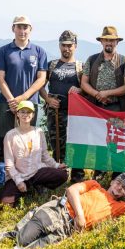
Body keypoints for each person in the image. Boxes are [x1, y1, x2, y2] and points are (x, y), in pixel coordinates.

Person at [0, 173, 125, 249]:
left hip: (65, 232)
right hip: (56, 214)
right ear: (112, 182)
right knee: (21, 240)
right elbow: (71, 190)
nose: (119, 187)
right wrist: (80, 216)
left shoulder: (120, 208)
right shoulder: (94, 185)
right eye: (118, 182)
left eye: (124, 188)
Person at [80, 26, 125, 180]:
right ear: (101, 41)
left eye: (112, 40)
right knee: (99, 140)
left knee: (117, 141)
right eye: (106, 40)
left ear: (117, 42)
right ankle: (99, 172)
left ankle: (118, 173)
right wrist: (97, 94)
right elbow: (84, 83)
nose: (109, 43)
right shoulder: (91, 60)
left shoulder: (124, 61)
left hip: (117, 107)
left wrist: (107, 93)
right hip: (96, 107)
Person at [0, 16, 48, 162]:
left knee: (28, 140)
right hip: (7, 102)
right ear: (13, 29)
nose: (22, 30)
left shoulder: (39, 51)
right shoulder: (4, 50)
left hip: (30, 103)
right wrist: (12, 100)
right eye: (19, 27)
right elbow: (0, 78)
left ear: (30, 29)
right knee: (4, 139)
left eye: (25, 27)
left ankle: (28, 175)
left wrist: (23, 97)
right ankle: (2, 179)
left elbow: (41, 79)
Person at [0, 101, 69, 206]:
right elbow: (9, 165)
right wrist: (18, 181)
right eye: (22, 112)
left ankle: (39, 185)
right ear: (17, 114)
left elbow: (45, 155)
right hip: (19, 175)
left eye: (29, 112)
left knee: (63, 175)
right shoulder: (10, 135)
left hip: (37, 172)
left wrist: (57, 165)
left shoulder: (39, 132)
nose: (25, 115)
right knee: (6, 203)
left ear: (33, 115)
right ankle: (27, 188)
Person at [39, 30, 84, 182]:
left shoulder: (81, 67)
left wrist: (80, 89)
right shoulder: (51, 65)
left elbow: (87, 87)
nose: (66, 49)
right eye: (64, 45)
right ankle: (58, 177)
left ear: (75, 46)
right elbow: (40, 85)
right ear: (59, 46)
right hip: (54, 113)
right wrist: (48, 99)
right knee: (56, 145)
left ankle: (77, 178)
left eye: (70, 45)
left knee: (76, 145)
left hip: (75, 114)